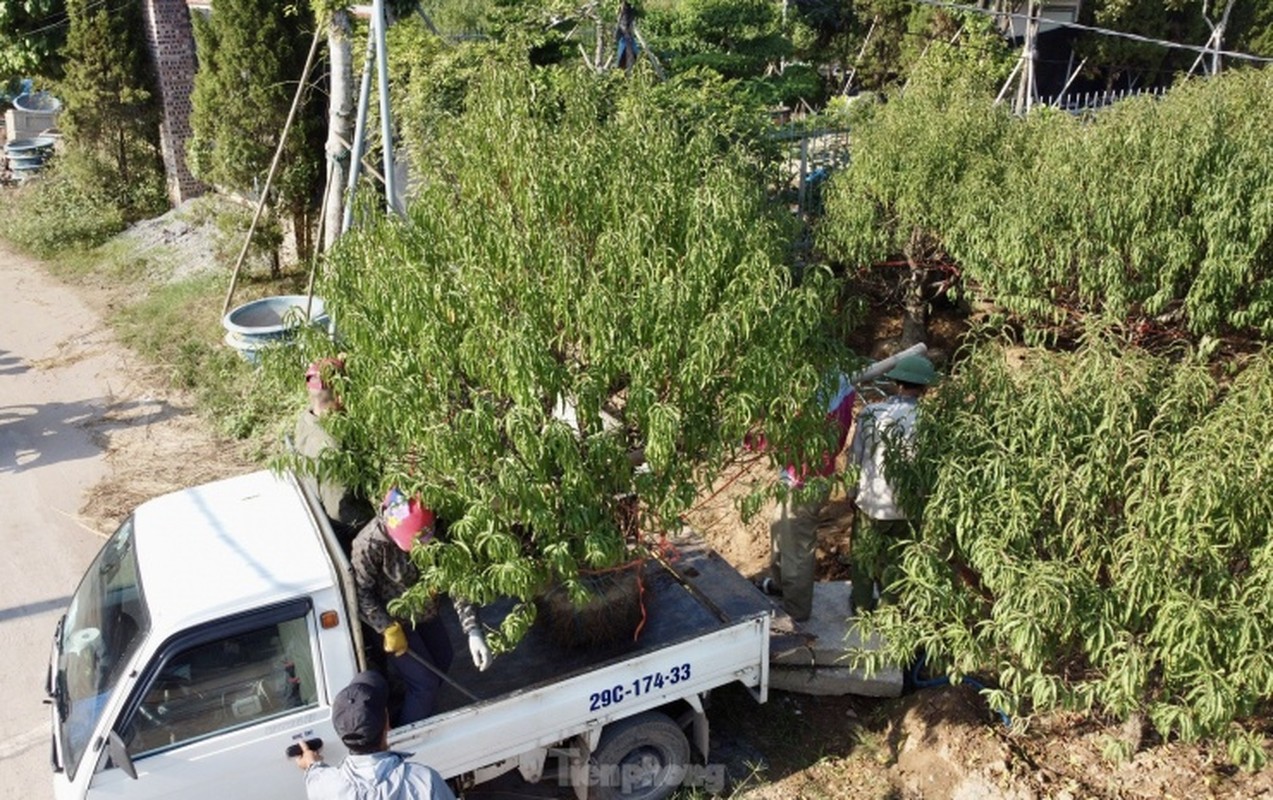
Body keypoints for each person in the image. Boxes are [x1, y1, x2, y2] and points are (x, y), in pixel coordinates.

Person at [351, 489, 491, 726]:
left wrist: (473, 630)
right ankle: (409, 734)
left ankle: (418, 708)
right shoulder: (368, 544)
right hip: (393, 622)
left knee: (443, 658)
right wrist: (386, 627)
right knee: (424, 684)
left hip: (426, 612)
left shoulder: (435, 530)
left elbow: (456, 580)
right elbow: (360, 592)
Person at [761, 371, 856, 622]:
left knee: (796, 547)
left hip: (804, 481)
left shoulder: (812, 396)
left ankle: (797, 610)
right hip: (802, 477)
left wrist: (752, 440)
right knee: (780, 529)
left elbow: (782, 436)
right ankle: (783, 586)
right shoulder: (840, 382)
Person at [846, 353, 936, 615]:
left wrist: (852, 491)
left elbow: (856, 456)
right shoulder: (928, 420)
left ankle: (862, 605)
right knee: (897, 557)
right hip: (908, 505)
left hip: (871, 501)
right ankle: (890, 610)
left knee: (863, 555)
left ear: (897, 383)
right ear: (925, 388)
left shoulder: (871, 413)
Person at [294, 669, 456, 800]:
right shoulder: (423, 781)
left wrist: (311, 764)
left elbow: (315, 775)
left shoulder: (322, 785)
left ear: (340, 733)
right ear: (387, 723)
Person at [294, 357, 374, 544]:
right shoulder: (334, 448)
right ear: (340, 397)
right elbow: (340, 508)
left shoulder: (305, 421)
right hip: (347, 533)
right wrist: (372, 527)